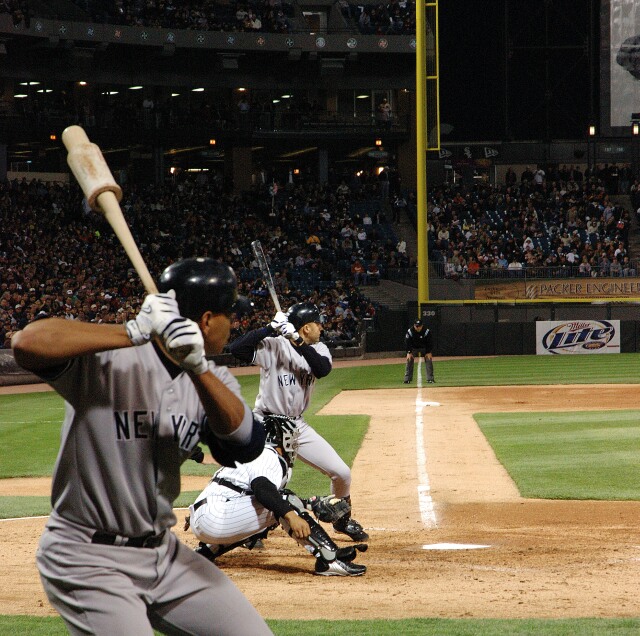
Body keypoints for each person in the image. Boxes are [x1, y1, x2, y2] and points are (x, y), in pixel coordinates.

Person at [11, 257, 272, 636]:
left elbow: (246, 444)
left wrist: (197, 368)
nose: (236, 324)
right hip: (87, 557)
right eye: (231, 315)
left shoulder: (213, 380)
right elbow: (26, 343)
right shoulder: (108, 361)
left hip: (163, 555)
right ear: (206, 320)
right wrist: (133, 330)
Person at [227, 301, 369, 542]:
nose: (321, 328)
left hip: (296, 427)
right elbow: (236, 349)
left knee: (342, 473)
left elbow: (321, 369)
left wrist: (297, 341)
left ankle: (342, 520)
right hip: (266, 425)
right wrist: (269, 329)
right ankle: (252, 530)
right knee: (263, 479)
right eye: (317, 324)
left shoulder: (320, 348)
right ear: (306, 327)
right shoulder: (273, 345)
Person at [185, 415, 367, 577]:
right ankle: (329, 559)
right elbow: (262, 488)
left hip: (204, 517)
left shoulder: (248, 454)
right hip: (218, 518)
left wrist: (308, 505)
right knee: (284, 502)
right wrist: (292, 514)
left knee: (276, 506)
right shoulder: (268, 454)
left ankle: (206, 552)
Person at [403, 318, 435, 384]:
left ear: (422, 326)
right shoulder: (410, 331)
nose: (418, 328)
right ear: (414, 325)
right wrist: (409, 352)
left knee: (429, 359)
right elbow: (407, 342)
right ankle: (407, 379)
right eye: (416, 326)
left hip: (424, 348)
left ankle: (430, 379)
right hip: (413, 348)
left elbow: (430, 342)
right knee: (409, 359)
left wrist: (428, 352)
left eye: (419, 326)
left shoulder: (426, 331)